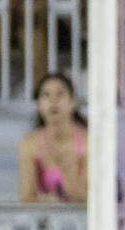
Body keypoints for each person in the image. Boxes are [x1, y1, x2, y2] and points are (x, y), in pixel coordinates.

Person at [18, 72, 88, 203]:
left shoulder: (89, 141)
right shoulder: (29, 144)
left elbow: (89, 199)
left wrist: (66, 173)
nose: (53, 101)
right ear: (38, 105)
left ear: (72, 102)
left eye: (60, 94)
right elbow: (27, 198)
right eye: (46, 95)